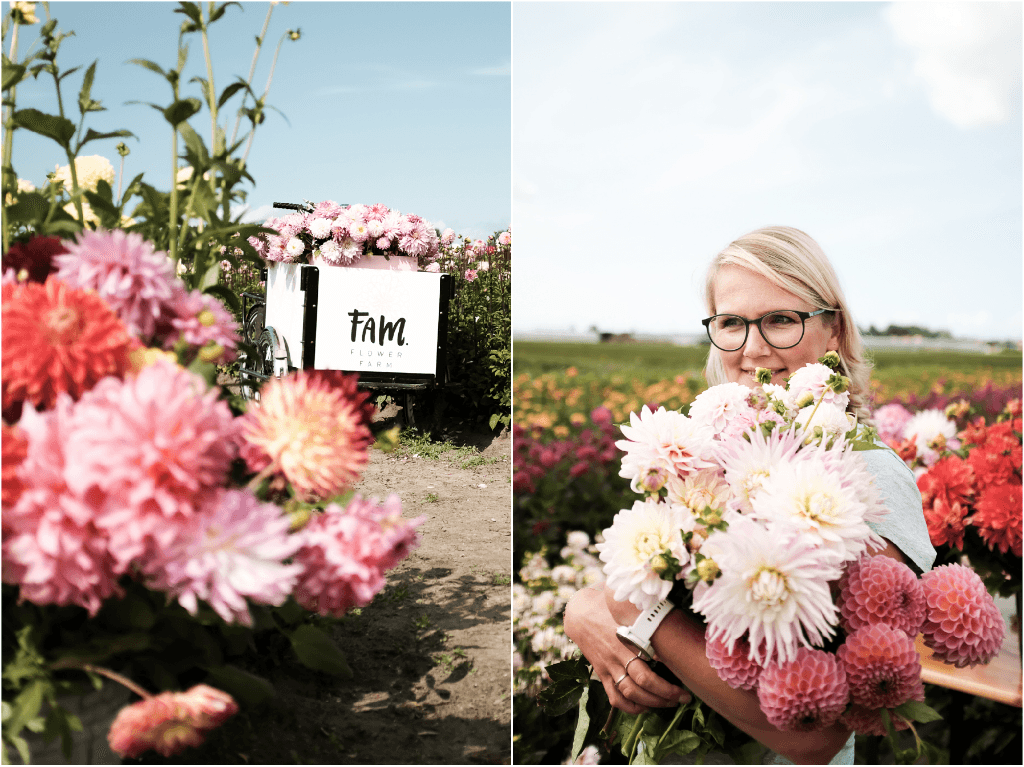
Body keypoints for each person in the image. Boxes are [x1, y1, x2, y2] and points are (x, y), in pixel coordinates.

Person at [562, 226, 936, 765]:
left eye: (781, 320)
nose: (753, 348)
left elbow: (811, 736)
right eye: (732, 323)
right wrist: (583, 607)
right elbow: (657, 576)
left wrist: (634, 612)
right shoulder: (711, 451)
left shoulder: (872, 476)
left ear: (834, 332)